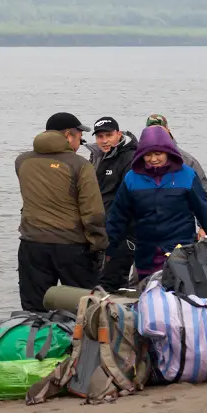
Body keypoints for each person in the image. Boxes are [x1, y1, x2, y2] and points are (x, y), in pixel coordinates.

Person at [106, 125, 207, 287]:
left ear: (168, 152)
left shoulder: (187, 175)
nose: (153, 159)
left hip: (180, 252)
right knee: (148, 297)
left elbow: (205, 213)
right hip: (146, 254)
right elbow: (118, 216)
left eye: (158, 153)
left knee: (179, 297)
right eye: (147, 155)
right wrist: (109, 248)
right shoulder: (132, 178)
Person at [15, 112, 108, 312]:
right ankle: (73, 343)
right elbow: (93, 213)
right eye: (78, 136)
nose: (80, 141)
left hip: (32, 244)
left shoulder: (22, 161)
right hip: (72, 247)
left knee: (34, 309)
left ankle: (36, 343)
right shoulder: (80, 165)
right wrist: (99, 245)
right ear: (67, 135)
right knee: (81, 309)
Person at [83, 116, 138, 291]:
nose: (104, 140)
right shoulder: (96, 156)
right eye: (100, 136)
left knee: (113, 283)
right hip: (99, 231)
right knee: (96, 282)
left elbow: (130, 199)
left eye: (109, 135)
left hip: (122, 233)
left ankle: (118, 316)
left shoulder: (129, 158)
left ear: (118, 134)